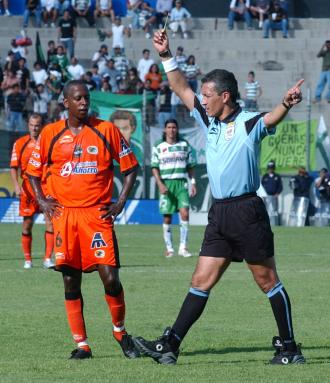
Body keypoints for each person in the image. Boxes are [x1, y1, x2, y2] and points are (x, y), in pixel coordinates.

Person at [133, 29, 306, 365]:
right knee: (200, 280)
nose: (203, 99)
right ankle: (170, 345)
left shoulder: (247, 122)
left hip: (246, 212)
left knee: (267, 280)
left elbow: (272, 117)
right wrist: (166, 55)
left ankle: (289, 348)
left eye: (208, 94)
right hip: (220, 213)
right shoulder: (206, 118)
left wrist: (286, 102)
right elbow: (180, 87)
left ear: (225, 96)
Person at [26, 80, 141, 359]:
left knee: (110, 278)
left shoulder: (106, 130)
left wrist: (120, 202)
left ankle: (120, 331)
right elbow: (32, 172)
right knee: (70, 281)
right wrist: (41, 200)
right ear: (66, 102)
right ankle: (82, 345)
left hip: (96, 215)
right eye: (77, 98)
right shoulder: (51, 133)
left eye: (86, 98)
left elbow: (131, 168)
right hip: (65, 216)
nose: (83, 102)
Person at [10, 113, 54, 269]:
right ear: (28, 125)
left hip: (46, 188)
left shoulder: (48, 143)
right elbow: (14, 168)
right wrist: (16, 185)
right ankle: (28, 260)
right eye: (32, 125)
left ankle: (48, 259)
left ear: (41, 125)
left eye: (37, 125)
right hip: (28, 190)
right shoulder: (20, 143)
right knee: (27, 225)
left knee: (50, 223)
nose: (35, 128)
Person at [151, 119, 196, 257]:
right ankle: (169, 248)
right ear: (165, 130)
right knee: (167, 217)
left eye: (174, 127)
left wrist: (193, 182)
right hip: (166, 183)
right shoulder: (158, 146)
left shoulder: (184, 145)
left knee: (185, 213)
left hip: (181, 183)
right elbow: (154, 167)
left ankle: (183, 247)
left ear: (177, 129)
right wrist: (160, 184)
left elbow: (190, 166)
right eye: (169, 127)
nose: (171, 130)